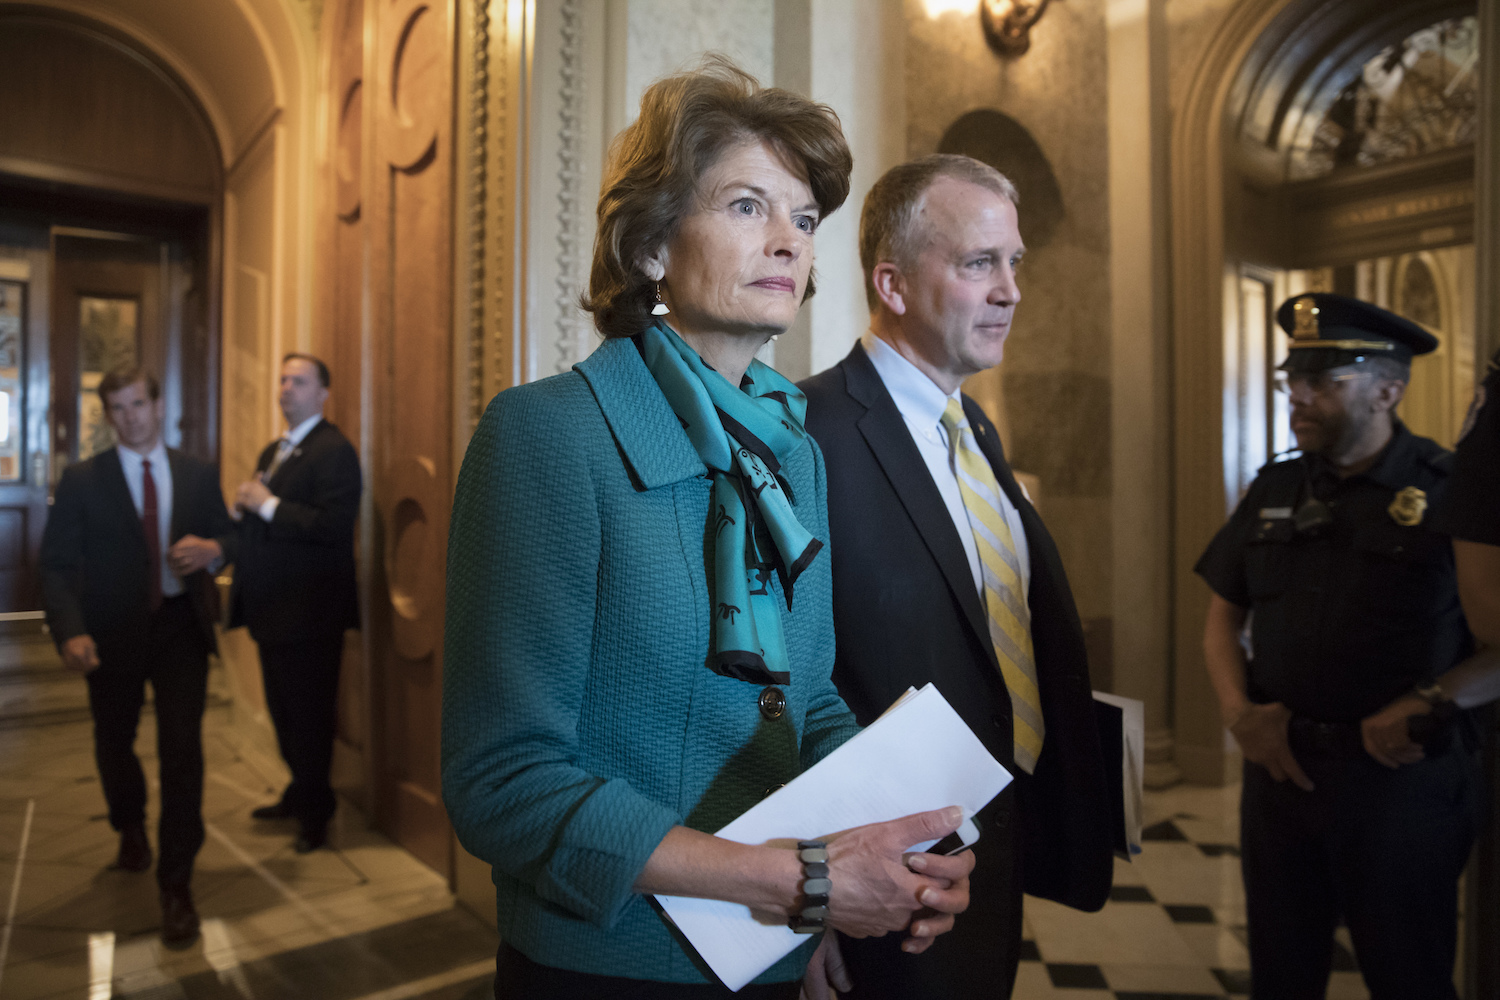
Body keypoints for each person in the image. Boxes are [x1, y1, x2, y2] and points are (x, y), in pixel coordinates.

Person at [442, 61, 975, 999]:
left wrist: (901, 846)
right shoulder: (548, 435)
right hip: (608, 967)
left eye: (804, 221)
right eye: (745, 206)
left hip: (769, 954)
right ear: (651, 246)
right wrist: (807, 883)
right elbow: (503, 783)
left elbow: (803, 706)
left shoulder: (794, 454)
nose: (786, 240)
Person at [799, 154, 1113, 999]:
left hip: (990, 853)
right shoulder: (806, 431)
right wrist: (808, 902)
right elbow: (776, 687)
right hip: (877, 877)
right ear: (893, 284)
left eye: (1015, 263)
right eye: (980, 263)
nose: (1010, 290)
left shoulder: (970, 426)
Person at [1196, 292, 1500, 999]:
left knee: (1408, 977)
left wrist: (1431, 698)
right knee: (1281, 976)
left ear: (1389, 389)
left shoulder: (1452, 493)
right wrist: (1241, 711)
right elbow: (1221, 615)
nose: (1297, 395)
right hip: (1282, 776)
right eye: (1292, 380)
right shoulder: (1275, 486)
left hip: (1401, 786)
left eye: (1323, 381)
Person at [40, 366, 236, 947]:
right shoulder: (82, 480)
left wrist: (214, 549)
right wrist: (70, 630)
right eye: (117, 408)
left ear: (158, 403)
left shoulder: (197, 474)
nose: (130, 417)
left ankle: (177, 884)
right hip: (112, 633)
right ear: (108, 416)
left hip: (180, 631)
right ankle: (129, 824)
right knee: (113, 741)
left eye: (138, 404)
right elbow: (53, 565)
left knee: (183, 752)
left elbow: (231, 536)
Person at [229, 353, 361, 853]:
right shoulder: (274, 450)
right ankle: (299, 790)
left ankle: (315, 812)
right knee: (284, 714)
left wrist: (266, 504)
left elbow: (330, 526)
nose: (286, 388)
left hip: (310, 614)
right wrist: (245, 508)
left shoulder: (334, 451)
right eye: (282, 379)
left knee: (309, 717)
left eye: (298, 381)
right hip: (271, 610)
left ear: (323, 392)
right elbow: (268, 519)